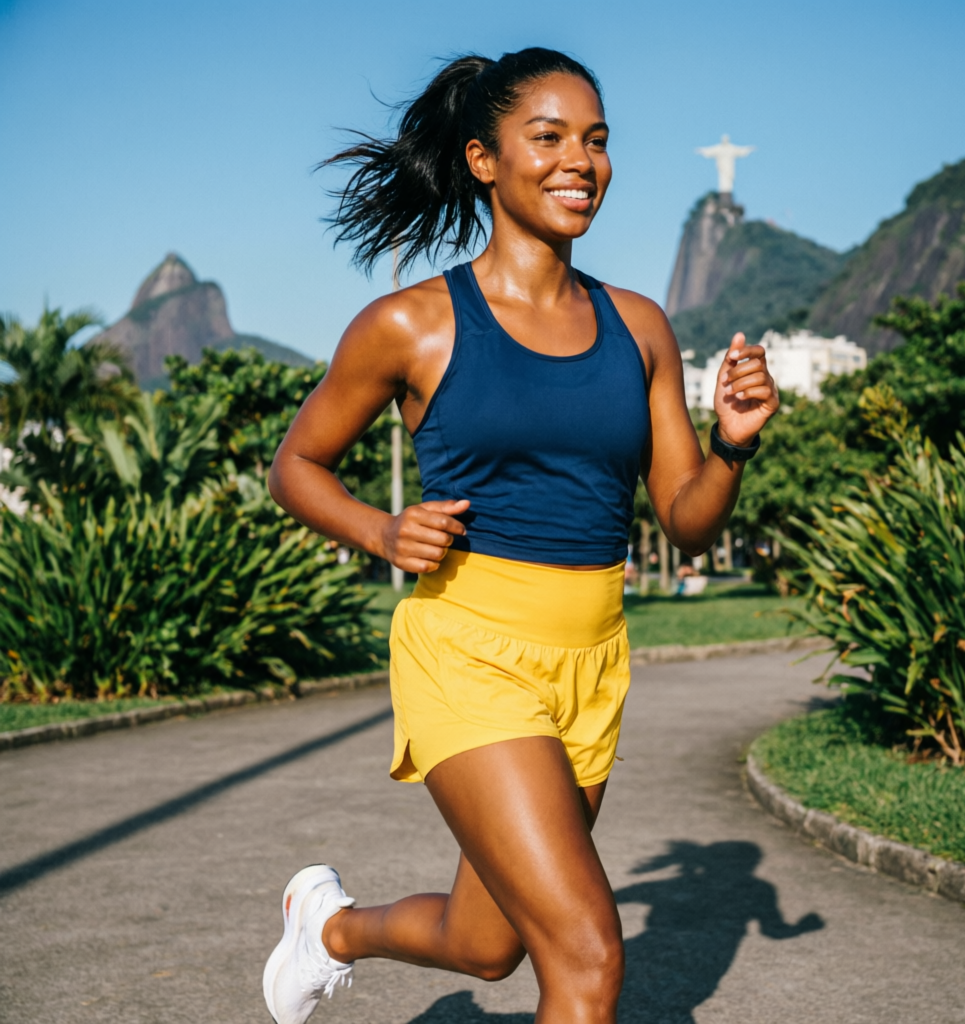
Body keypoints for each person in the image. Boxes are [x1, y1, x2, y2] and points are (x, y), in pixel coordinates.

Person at [262, 47, 778, 1024]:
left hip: (591, 662)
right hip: (468, 649)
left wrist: (731, 446)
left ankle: (327, 927)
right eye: (547, 138)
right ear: (484, 159)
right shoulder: (413, 323)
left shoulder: (639, 328)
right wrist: (383, 528)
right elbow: (296, 464)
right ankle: (327, 928)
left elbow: (687, 521)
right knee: (585, 959)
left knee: (490, 944)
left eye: (595, 140)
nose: (579, 160)